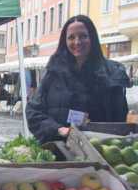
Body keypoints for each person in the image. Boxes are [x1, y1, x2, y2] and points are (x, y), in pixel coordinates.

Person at [26, 15, 130, 144]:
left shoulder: (112, 73)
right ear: (65, 41)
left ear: (92, 38)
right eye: (71, 37)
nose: (77, 42)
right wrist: (58, 129)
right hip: (59, 150)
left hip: (99, 151)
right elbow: (33, 112)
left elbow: (119, 120)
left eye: (83, 36)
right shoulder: (53, 74)